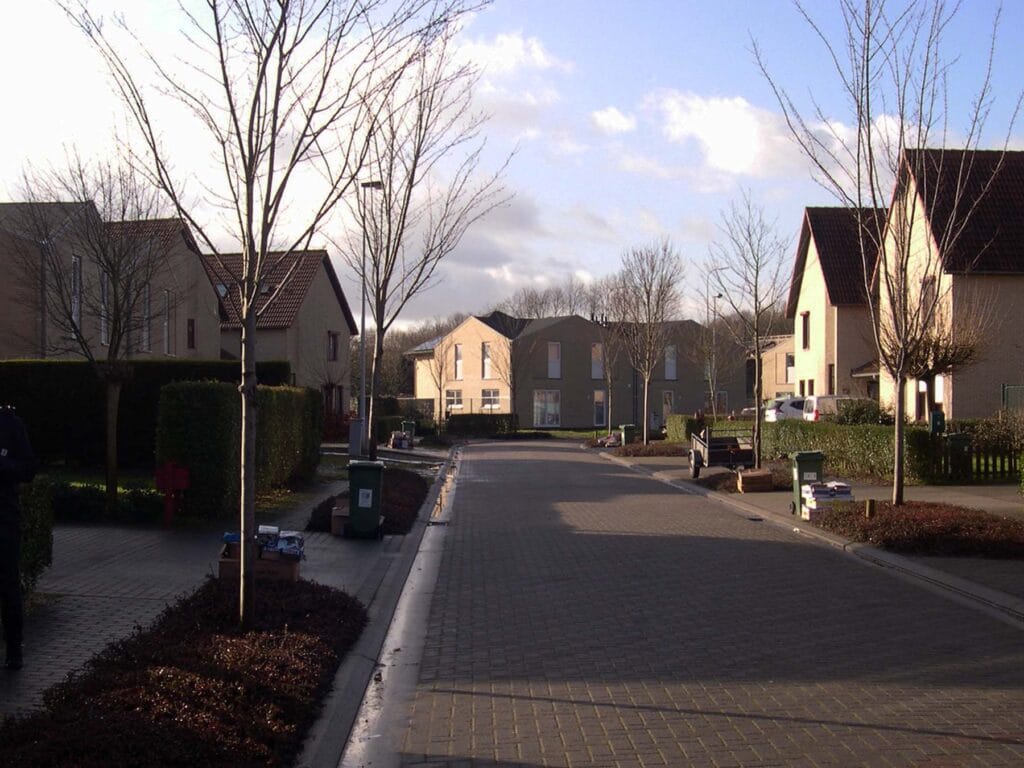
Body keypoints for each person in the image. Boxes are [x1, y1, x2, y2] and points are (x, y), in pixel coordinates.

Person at [0, 405, 36, 671]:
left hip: (4, 518)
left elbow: (28, 468)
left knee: (8, 584)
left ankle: (14, 649)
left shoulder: (10, 424)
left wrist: (4, 465)